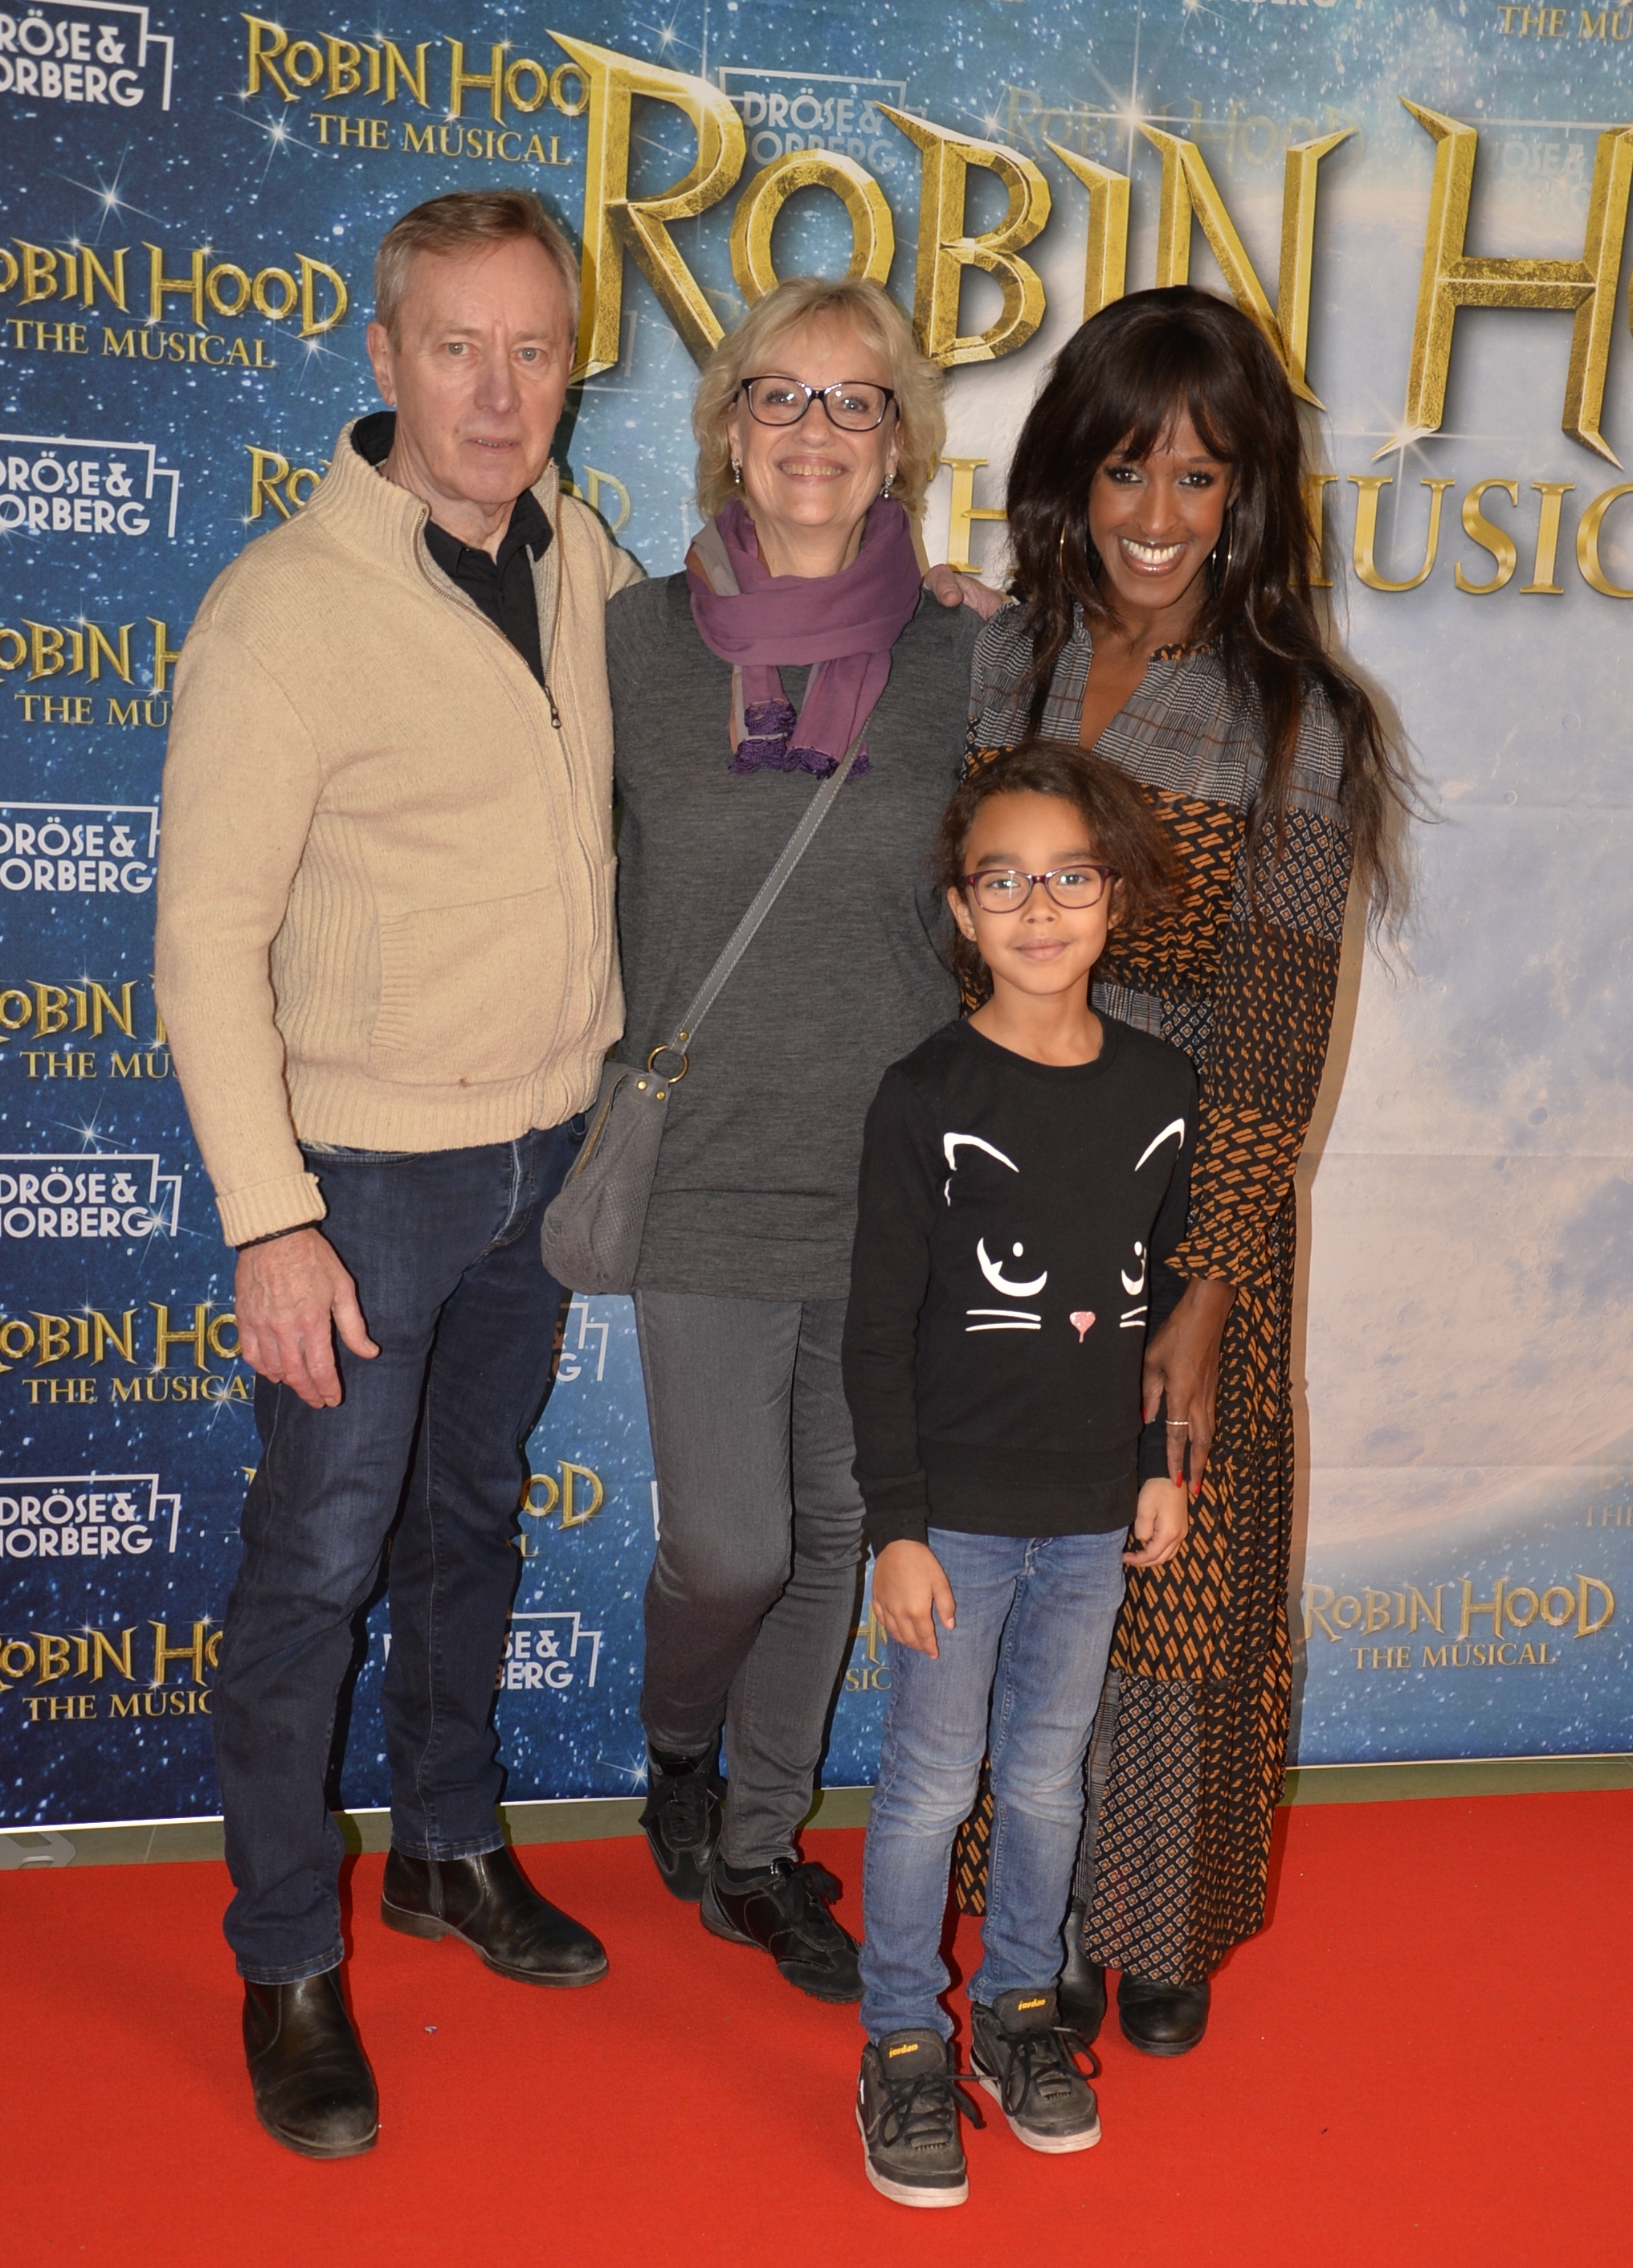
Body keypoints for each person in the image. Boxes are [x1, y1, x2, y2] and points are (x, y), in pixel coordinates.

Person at [154, 189, 640, 2159]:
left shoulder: (585, 555)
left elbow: (728, 684)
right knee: (315, 1566)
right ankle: (285, 1953)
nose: (498, 393)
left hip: (544, 1148)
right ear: (382, 358)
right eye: (458, 348)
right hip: (360, 1181)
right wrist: (271, 1217)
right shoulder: (284, 609)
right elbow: (203, 941)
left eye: (534, 351)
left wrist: (905, 597)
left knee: (473, 1524)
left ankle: (445, 1843)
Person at [963, 285, 1408, 2056]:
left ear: (1248, 497)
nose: (1156, 515)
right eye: (1127, 469)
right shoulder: (1002, 661)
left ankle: (1152, 1929)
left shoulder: (1299, 719)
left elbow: (1278, 1028)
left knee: (1175, 1567)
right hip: (1008, 1185)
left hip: (1189, 1195)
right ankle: (1040, 1910)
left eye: (1200, 477)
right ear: (1073, 472)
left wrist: (1208, 1284)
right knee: (1023, 1563)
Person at [605, 276, 980, 2000]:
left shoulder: (966, 654)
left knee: (839, 1533)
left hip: (892, 1177)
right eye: (781, 394)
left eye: (854, 400)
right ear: (727, 425)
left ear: (898, 440)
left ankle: (758, 1848)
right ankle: (679, 1751)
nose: (815, 429)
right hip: (698, 1165)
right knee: (732, 1548)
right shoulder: (629, 642)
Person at [843, 742, 1195, 2208]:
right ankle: (899, 2041)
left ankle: (1019, 2012)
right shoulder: (923, 1093)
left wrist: (1156, 1465)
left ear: (1113, 899)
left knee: (1048, 1778)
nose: (1038, 909)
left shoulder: (1162, 1086)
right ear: (959, 907)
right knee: (931, 1785)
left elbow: (1154, 1302)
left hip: (1091, 1516)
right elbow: (875, 1330)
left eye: (1067, 878)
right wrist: (897, 1528)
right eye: (1002, 882)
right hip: (957, 1525)